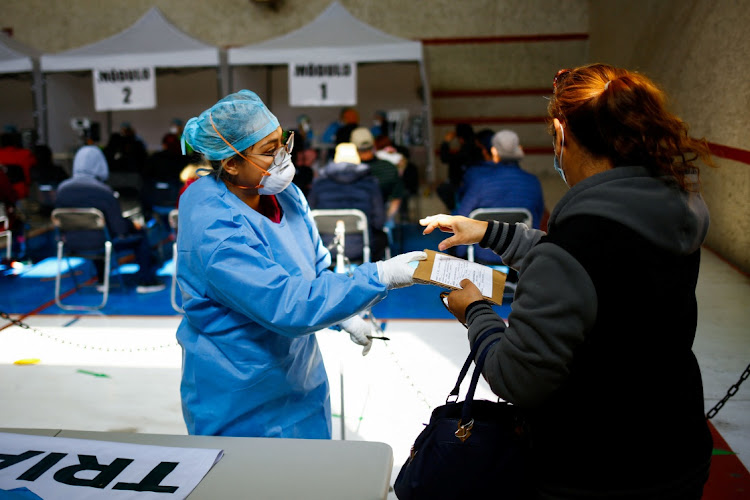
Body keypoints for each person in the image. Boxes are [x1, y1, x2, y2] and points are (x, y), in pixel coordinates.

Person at [420, 63, 714, 499]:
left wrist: (476, 311)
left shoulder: (576, 245)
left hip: (594, 471)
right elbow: (593, 260)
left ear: (561, 133)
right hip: (678, 448)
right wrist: (483, 231)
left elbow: (516, 377)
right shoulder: (676, 210)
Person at [176, 90, 426, 439]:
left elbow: (316, 270)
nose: (282, 158)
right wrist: (380, 276)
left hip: (300, 378)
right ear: (231, 163)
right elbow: (287, 305)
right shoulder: (213, 225)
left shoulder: (284, 194)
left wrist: (345, 316)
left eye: (283, 143)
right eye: (268, 151)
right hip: (238, 391)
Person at [55, 146, 166, 294]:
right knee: (140, 237)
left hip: (71, 243)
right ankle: (147, 281)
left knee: (94, 230)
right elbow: (120, 229)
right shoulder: (102, 192)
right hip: (102, 243)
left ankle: (101, 279)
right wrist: (133, 225)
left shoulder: (62, 190)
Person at [454, 129, 545, 265]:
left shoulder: (481, 183)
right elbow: (537, 218)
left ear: (494, 153)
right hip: (520, 257)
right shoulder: (533, 182)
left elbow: (461, 219)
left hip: (485, 256)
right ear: (518, 149)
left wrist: (459, 253)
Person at [307, 142, 387, 262]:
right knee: (382, 238)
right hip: (361, 246)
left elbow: (309, 217)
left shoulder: (319, 183)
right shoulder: (371, 183)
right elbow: (379, 221)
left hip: (325, 246)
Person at [350, 127, 406, 228]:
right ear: (374, 145)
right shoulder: (388, 168)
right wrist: (386, 219)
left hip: (351, 222)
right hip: (379, 222)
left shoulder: (347, 172)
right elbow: (396, 200)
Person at [436, 123, 484, 211]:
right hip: (478, 186)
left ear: (461, 139)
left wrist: (446, 142)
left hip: (463, 186)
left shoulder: (465, 152)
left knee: (444, 190)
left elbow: (445, 158)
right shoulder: (480, 149)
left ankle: (456, 213)